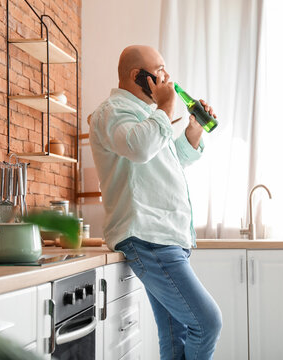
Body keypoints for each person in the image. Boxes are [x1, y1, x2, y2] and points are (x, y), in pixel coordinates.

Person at [89, 45, 222, 360]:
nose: (167, 78)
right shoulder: (112, 111)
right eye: (159, 71)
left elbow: (168, 161)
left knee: (176, 338)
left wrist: (193, 129)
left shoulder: (147, 116)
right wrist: (165, 107)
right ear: (139, 76)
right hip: (149, 238)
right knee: (207, 323)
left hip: (164, 237)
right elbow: (138, 148)